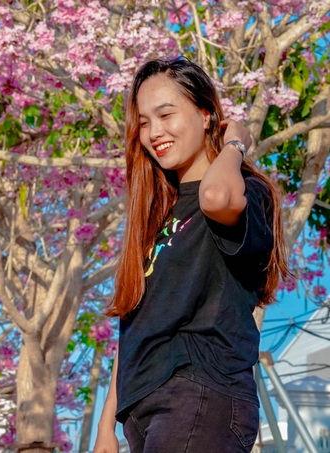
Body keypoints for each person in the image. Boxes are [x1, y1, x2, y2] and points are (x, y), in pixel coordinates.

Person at [92, 58, 291, 453]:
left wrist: (234, 143)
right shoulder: (156, 216)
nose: (154, 132)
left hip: (201, 394)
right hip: (143, 410)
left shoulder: (244, 192)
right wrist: (105, 428)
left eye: (166, 114)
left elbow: (215, 198)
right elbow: (137, 321)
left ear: (205, 115)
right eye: (145, 122)